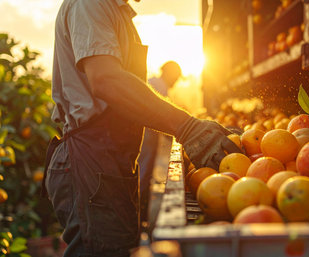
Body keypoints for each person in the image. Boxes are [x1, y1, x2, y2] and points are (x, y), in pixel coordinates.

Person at [43, 1, 241, 256]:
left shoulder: (116, 11)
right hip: (89, 159)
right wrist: (186, 126)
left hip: (108, 160)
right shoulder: (90, 3)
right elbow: (106, 80)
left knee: (119, 246)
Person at [138, 61, 182, 226]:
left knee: (146, 172)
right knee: (143, 172)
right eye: (176, 77)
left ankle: (142, 214)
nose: (176, 81)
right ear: (169, 73)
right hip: (146, 136)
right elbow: (160, 116)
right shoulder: (158, 85)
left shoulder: (158, 84)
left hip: (149, 137)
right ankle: (140, 216)